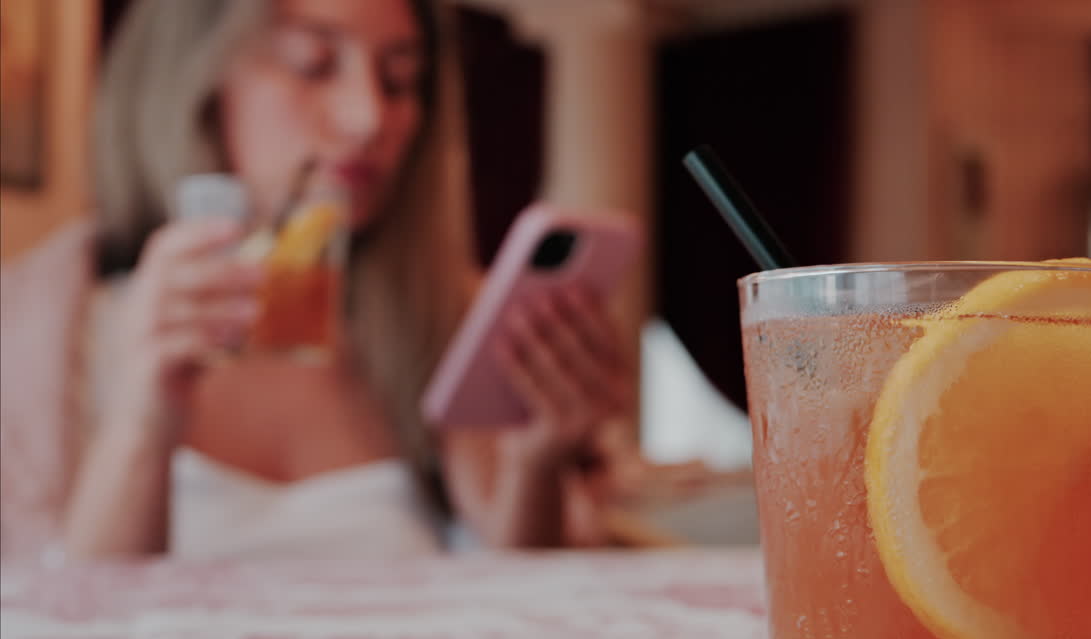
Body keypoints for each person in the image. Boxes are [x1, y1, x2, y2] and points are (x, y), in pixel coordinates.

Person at [0, 0, 634, 560]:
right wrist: (143, 419)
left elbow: (521, 615)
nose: (368, 118)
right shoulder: (52, 336)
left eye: (400, 79)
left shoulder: (433, 322)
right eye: (313, 63)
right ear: (198, 81)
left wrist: (536, 462)